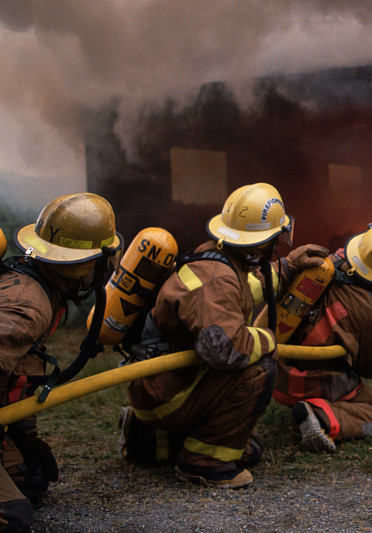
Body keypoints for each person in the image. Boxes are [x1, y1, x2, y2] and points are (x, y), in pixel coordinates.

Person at [122, 182, 327, 489]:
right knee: (258, 370)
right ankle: (205, 463)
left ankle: (150, 440)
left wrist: (288, 266)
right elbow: (224, 349)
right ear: (262, 242)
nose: (277, 245)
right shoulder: (217, 280)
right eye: (275, 239)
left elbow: (249, 290)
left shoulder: (218, 260)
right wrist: (270, 339)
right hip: (166, 394)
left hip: (161, 382)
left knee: (250, 443)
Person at [0, 193, 122, 532]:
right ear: (84, 264)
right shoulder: (29, 307)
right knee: (12, 517)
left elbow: (15, 375)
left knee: (31, 479)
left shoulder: (42, 287)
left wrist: (24, 436)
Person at [272, 222, 372, 452]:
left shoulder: (325, 265)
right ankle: (323, 417)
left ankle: (313, 409)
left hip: (274, 371)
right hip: (309, 383)